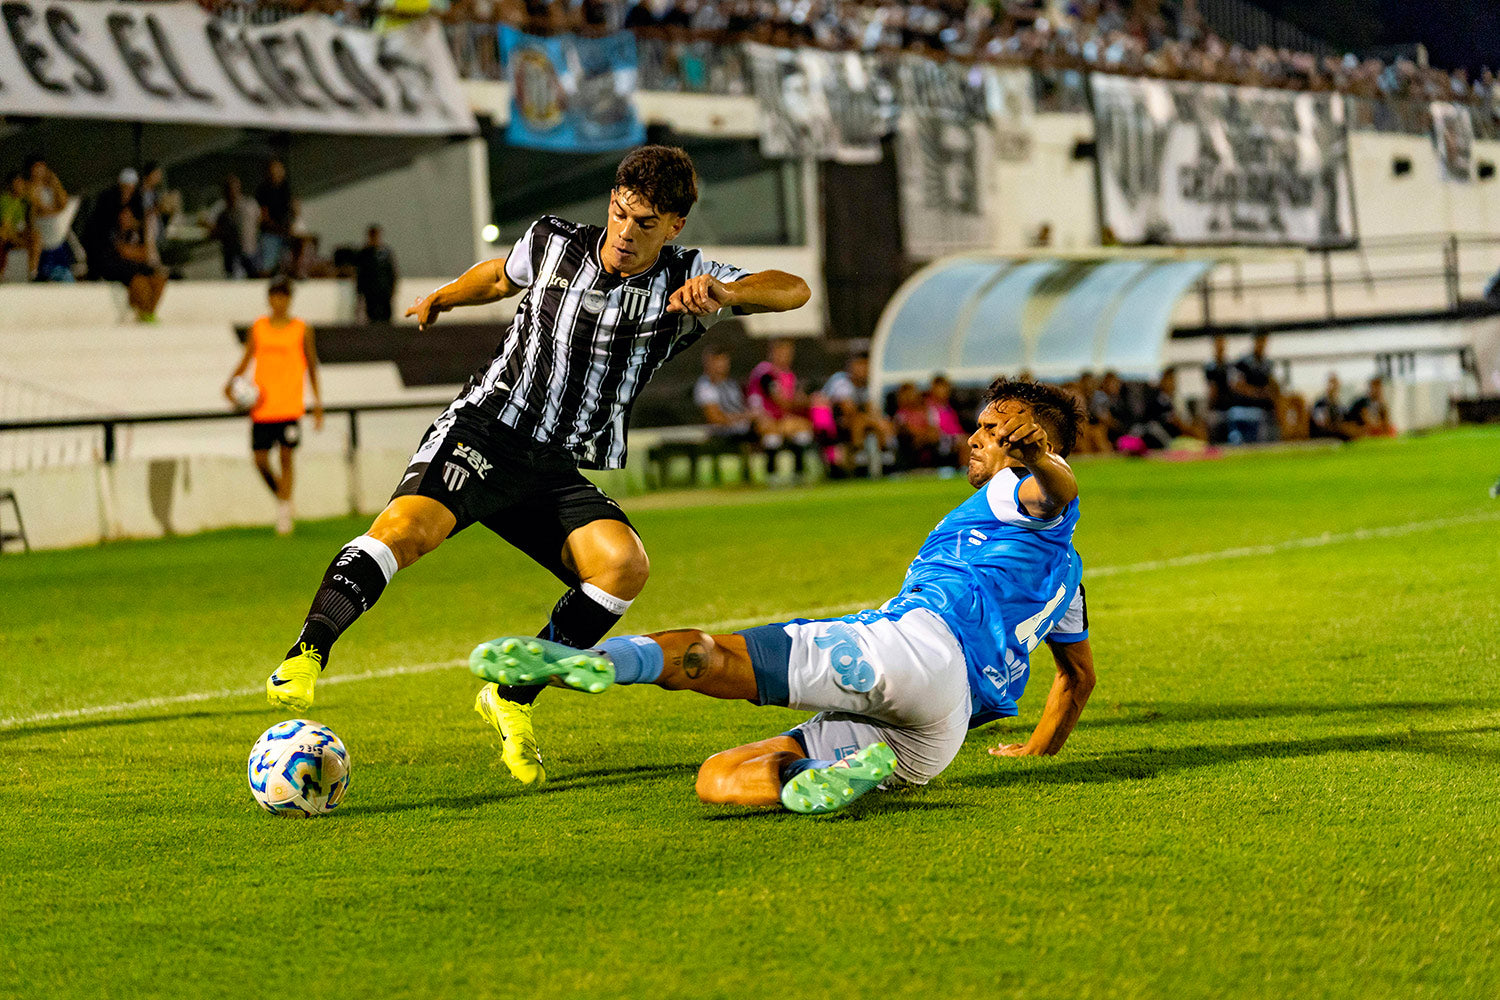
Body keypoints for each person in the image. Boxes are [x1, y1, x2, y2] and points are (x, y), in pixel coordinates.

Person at [263, 145, 810, 789]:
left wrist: (727, 291)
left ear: (673, 227)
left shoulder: (689, 279)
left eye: (645, 223)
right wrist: (443, 296)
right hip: (486, 428)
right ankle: (308, 652)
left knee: (623, 565)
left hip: (552, 465)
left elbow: (793, 290)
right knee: (408, 531)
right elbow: (500, 277)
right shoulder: (555, 240)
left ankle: (510, 696)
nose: (625, 232)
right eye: (620, 212)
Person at [469, 377, 1095, 815]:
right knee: (718, 777)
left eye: (993, 430)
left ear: (1033, 443)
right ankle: (811, 781)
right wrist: (1037, 750)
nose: (976, 437)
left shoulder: (1015, 490)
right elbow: (1078, 677)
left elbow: (1056, 491)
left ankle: (594, 664)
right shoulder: (1067, 576)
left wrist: (1039, 458)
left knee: (715, 656)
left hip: (913, 651)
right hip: (937, 736)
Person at [225, 278, 325, 535]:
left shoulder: (301, 329)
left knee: (286, 457)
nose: (279, 301)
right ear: (269, 298)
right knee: (260, 460)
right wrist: (231, 383)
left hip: (289, 405)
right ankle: (283, 497)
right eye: (275, 296)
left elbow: (312, 366)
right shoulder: (259, 327)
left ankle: (283, 513)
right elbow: (247, 358)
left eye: (283, 296)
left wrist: (317, 404)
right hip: (262, 405)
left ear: (289, 299)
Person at [819, 353, 894, 475]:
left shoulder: (868, 384)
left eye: (865, 365)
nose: (863, 370)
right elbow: (848, 410)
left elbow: (873, 409)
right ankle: (859, 454)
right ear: (850, 367)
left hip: (857, 421)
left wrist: (876, 420)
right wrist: (871, 419)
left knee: (880, 422)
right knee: (859, 421)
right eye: (859, 365)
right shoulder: (840, 381)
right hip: (830, 425)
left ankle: (884, 455)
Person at [694, 346, 755, 438]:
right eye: (717, 361)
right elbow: (715, 418)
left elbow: (741, 406)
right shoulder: (705, 386)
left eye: (723, 360)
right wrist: (747, 416)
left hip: (744, 428)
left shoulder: (731, 384)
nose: (721, 365)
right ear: (708, 363)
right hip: (724, 433)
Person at [206, 174, 260, 279]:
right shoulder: (221, 208)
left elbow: (259, 220)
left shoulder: (250, 204)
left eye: (235, 187)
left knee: (254, 279)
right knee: (235, 280)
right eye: (230, 188)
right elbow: (209, 223)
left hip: (250, 250)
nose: (233, 191)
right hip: (232, 254)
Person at [256, 158, 295, 276]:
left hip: (285, 233)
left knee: (287, 265)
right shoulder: (263, 190)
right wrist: (277, 228)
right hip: (270, 234)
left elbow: (292, 208)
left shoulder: (286, 188)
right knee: (268, 266)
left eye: (279, 170)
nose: (277, 173)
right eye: (274, 170)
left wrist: (289, 226)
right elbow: (263, 215)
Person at [354, 224, 398, 323]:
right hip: (370, 291)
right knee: (372, 317)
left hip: (384, 290)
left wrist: (393, 288)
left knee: (386, 316)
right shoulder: (364, 254)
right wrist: (360, 292)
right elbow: (360, 274)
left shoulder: (385, 253)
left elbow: (392, 272)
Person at [0, 171, 34, 279]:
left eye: (21, 183)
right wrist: (17, 240)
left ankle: (33, 272)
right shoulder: (5, 200)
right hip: (7, 235)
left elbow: (30, 223)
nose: (20, 186)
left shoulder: (25, 200)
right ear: (11, 185)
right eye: (17, 183)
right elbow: (6, 225)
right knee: (3, 237)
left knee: (36, 237)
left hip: (21, 234)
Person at [1309, 374, 1354, 441]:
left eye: (1335, 384)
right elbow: (1322, 424)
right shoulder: (1320, 404)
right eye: (1331, 384)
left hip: (1339, 435)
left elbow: (1346, 420)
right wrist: (1340, 427)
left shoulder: (1340, 406)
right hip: (1324, 437)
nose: (1333, 387)